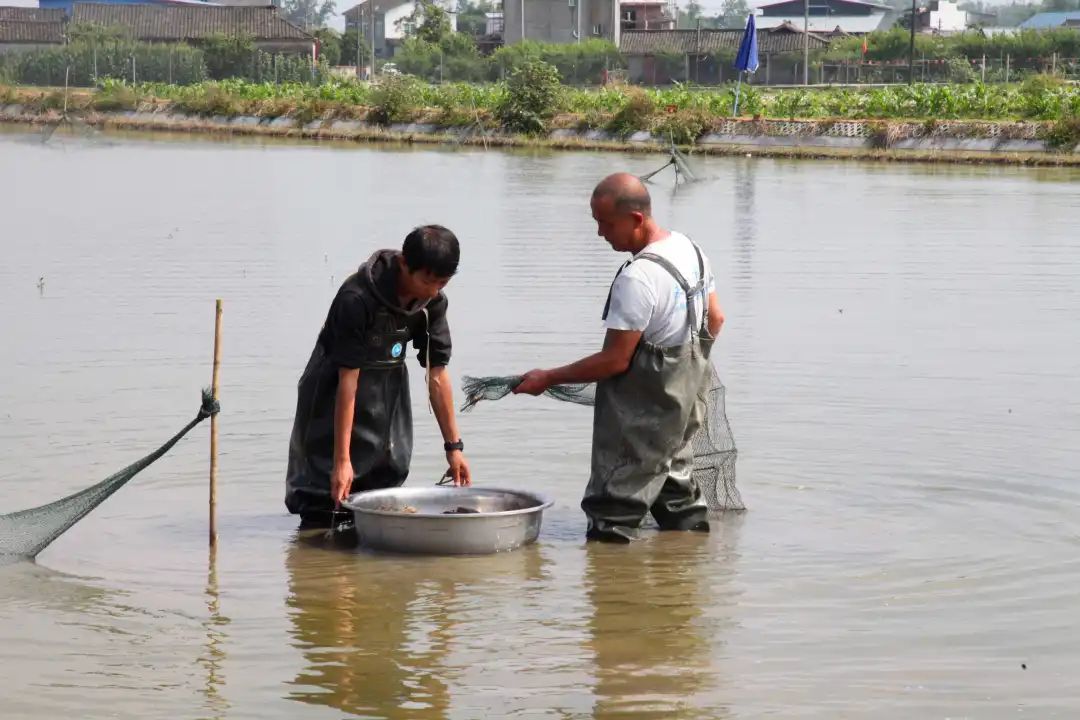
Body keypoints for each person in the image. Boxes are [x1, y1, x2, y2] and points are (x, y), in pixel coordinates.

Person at [513, 173, 724, 543]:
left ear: (636, 219)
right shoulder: (691, 249)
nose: (600, 233)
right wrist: (686, 371)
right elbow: (716, 320)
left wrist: (548, 377)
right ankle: (686, 570)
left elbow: (615, 361)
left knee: (616, 502)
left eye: (606, 224)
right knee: (675, 485)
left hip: (646, 409)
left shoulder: (638, 278)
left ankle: (612, 586)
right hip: (687, 400)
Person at [285, 225, 471, 528]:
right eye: (427, 280)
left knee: (381, 493)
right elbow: (348, 381)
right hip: (333, 395)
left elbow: (436, 374)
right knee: (324, 500)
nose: (434, 290)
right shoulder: (355, 298)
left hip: (386, 396)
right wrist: (341, 462)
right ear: (403, 265)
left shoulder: (433, 304)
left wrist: (454, 448)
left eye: (443, 282)